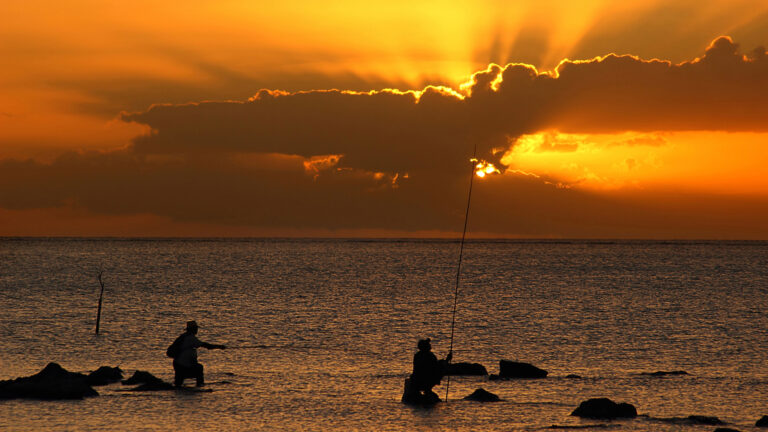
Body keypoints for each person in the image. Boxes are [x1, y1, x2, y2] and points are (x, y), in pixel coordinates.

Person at [170, 320, 226, 387]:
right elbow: (206, 345)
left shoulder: (183, 336)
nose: (197, 330)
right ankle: (200, 386)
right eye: (196, 328)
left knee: (178, 382)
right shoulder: (191, 338)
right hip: (183, 364)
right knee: (199, 368)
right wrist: (219, 346)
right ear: (193, 329)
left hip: (177, 363)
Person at [402, 338, 452, 404]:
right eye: (428, 344)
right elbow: (435, 367)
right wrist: (447, 360)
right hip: (426, 380)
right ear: (426, 347)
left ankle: (426, 390)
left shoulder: (417, 355)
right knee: (442, 367)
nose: (430, 345)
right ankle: (427, 390)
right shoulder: (430, 356)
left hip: (416, 381)